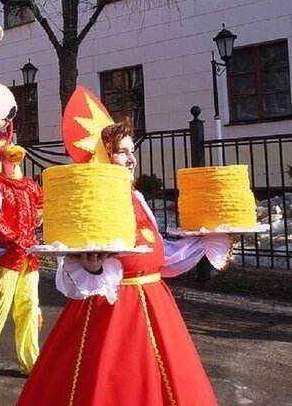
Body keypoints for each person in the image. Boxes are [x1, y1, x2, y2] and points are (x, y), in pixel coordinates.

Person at [17, 111, 232, 406]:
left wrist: (209, 238)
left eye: (133, 151)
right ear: (103, 158)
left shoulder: (138, 199)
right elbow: (70, 274)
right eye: (122, 152)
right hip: (110, 314)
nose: (132, 159)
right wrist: (91, 269)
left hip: (157, 308)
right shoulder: (95, 204)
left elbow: (159, 258)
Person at [0, 144, 43, 381]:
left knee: (29, 308)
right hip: (6, 256)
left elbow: (41, 206)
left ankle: (30, 360)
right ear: (0, 160)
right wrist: (13, 239)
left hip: (29, 257)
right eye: (9, 159)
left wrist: (40, 216)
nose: (14, 163)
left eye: (17, 159)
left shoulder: (28, 185)